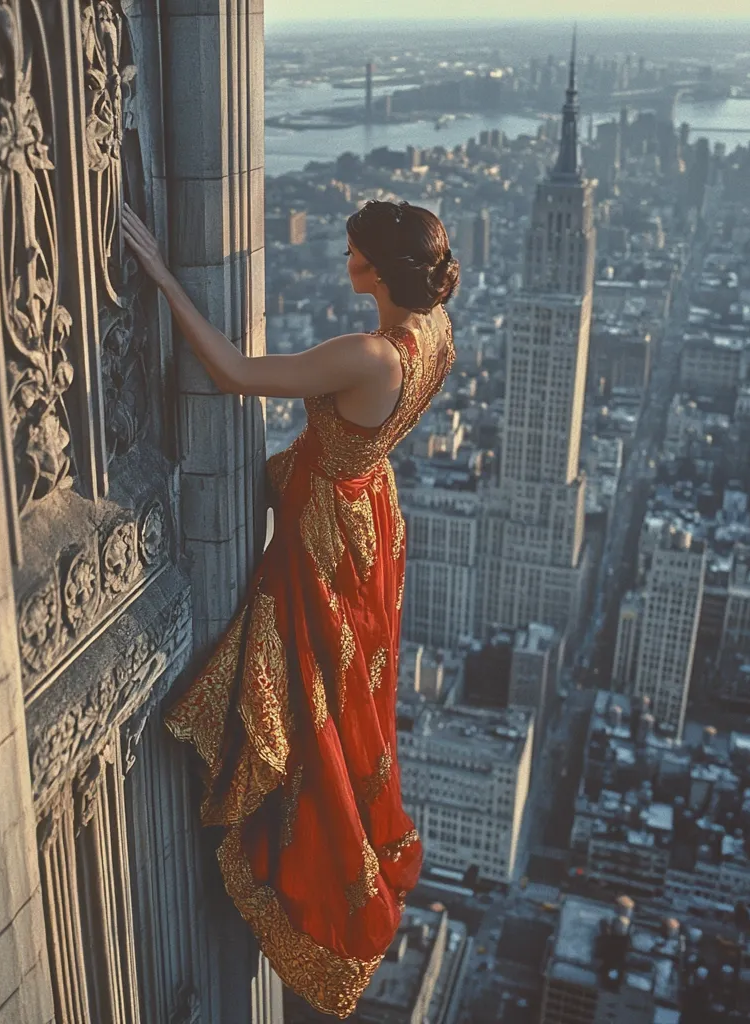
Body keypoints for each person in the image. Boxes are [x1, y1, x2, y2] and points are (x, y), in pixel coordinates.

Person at [122, 199, 458, 1018]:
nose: (343, 260)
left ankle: (296, 850)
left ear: (373, 270)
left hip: (326, 536)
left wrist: (164, 278)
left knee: (309, 697)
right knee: (352, 704)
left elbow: (236, 375)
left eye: (351, 252)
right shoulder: (436, 332)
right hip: (370, 513)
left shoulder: (368, 355)